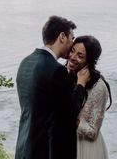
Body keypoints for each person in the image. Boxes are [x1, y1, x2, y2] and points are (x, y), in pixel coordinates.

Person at [15, 15, 90, 159]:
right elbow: (70, 112)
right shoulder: (56, 70)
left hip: (24, 147)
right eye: (72, 38)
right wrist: (81, 83)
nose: (72, 44)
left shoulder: (25, 62)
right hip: (45, 149)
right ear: (62, 37)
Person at [67, 35, 112, 159]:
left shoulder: (99, 87)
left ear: (90, 61)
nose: (73, 57)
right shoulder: (66, 75)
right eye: (72, 51)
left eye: (80, 56)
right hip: (65, 143)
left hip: (86, 147)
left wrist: (70, 118)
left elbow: (93, 131)